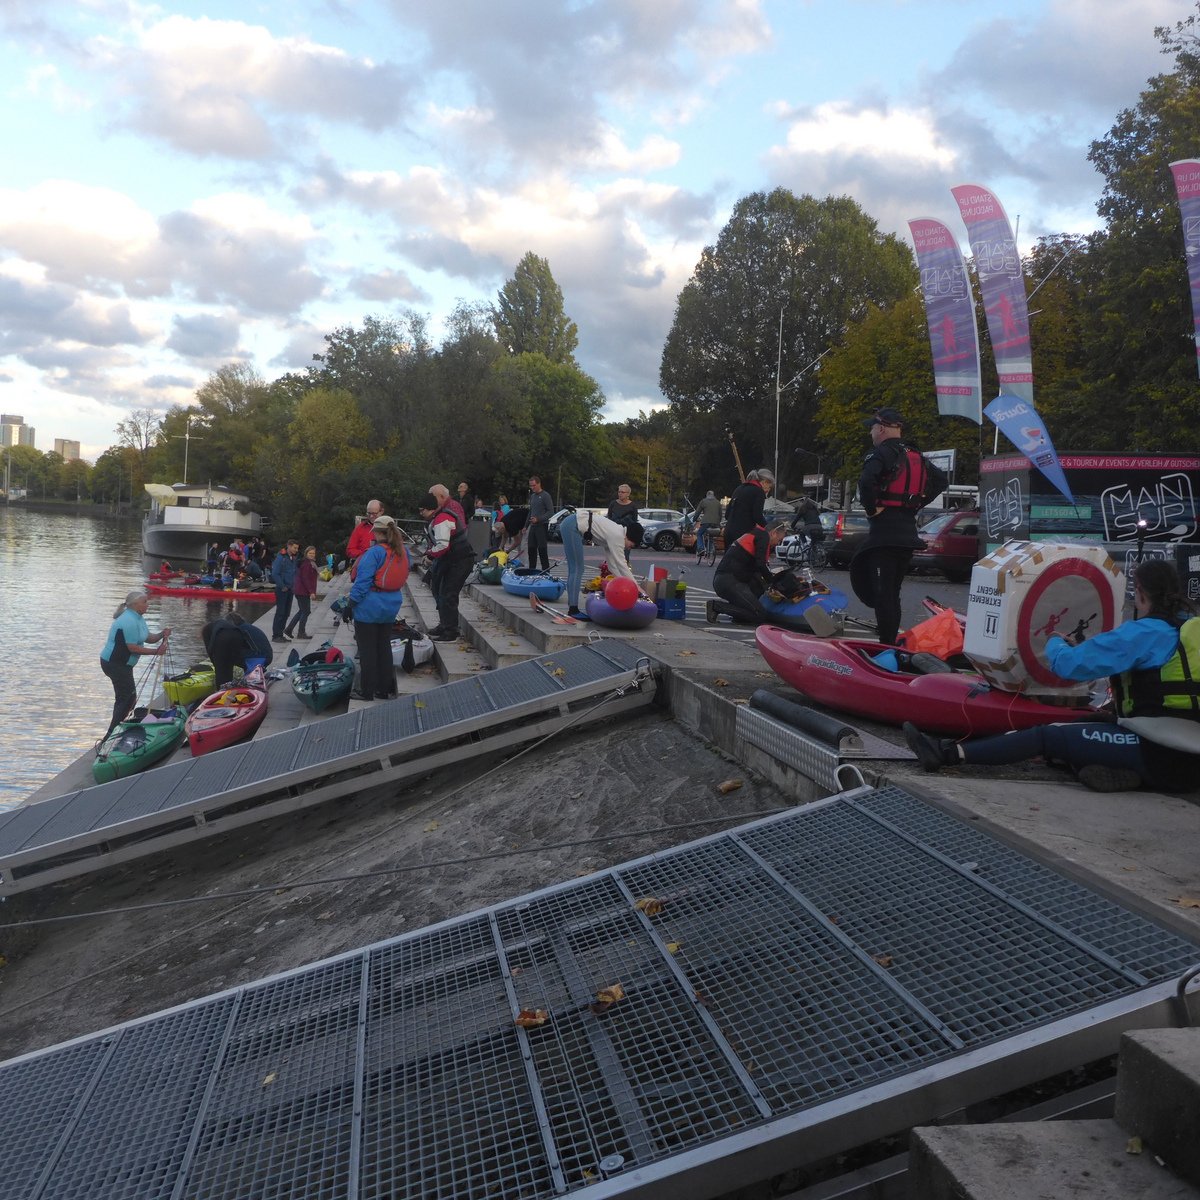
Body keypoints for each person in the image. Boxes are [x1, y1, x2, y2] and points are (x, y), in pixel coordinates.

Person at [904, 560, 1200, 794]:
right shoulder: (1191, 630)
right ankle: (1124, 775)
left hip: (1160, 752)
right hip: (1189, 749)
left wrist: (1055, 641)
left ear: (1142, 592)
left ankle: (947, 754)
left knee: (1049, 735)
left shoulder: (1144, 633)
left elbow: (1068, 665)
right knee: (1087, 723)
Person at [850, 408, 946, 645]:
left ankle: (886, 644)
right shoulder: (915, 454)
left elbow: (866, 481)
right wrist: (915, 503)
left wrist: (871, 508)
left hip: (885, 536)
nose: (871, 432)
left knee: (883, 594)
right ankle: (890, 640)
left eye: (872, 427)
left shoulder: (881, 453)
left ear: (881, 428)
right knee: (892, 593)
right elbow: (941, 480)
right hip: (907, 535)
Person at [347, 515, 408, 699]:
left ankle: (367, 691)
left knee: (367, 650)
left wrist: (351, 604)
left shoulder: (374, 553)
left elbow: (363, 582)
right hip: (391, 606)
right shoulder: (402, 551)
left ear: (377, 533)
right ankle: (384, 688)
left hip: (369, 607)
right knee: (383, 647)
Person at [99, 589, 171, 736]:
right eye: (144, 602)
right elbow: (132, 647)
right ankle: (111, 734)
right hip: (114, 663)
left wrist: (161, 634)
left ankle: (116, 728)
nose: (148, 605)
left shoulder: (138, 617)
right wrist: (156, 652)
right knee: (127, 698)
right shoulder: (128, 621)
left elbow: (147, 637)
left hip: (123, 664)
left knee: (127, 697)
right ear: (135, 605)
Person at [561, 512, 646, 618]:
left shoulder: (615, 534)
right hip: (572, 526)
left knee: (575, 569)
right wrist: (637, 588)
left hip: (571, 523)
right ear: (628, 537)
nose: (629, 548)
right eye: (631, 545)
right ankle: (573, 610)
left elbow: (612, 566)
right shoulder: (618, 536)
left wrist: (625, 584)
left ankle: (572, 607)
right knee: (577, 569)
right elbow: (622, 565)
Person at [419, 491, 476, 641]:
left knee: (448, 594)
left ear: (429, 508)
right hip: (452, 560)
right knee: (440, 591)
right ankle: (444, 625)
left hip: (461, 560)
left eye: (421, 510)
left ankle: (451, 631)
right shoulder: (438, 517)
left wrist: (430, 555)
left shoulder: (442, 518)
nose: (420, 513)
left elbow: (443, 545)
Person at [710, 520, 788, 624]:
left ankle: (739, 615)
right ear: (773, 533)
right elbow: (761, 564)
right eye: (779, 540)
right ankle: (716, 607)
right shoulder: (763, 536)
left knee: (758, 592)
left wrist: (768, 584)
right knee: (760, 615)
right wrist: (773, 582)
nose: (778, 543)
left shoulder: (755, 533)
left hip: (725, 580)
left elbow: (756, 568)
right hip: (730, 581)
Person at [202, 612, 274, 687]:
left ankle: (226, 682)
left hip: (259, 656)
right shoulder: (249, 627)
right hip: (267, 656)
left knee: (227, 656)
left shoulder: (239, 629)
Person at [722, 468, 775, 546]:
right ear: (764, 482)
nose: (768, 490)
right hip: (742, 535)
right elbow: (757, 516)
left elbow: (727, 515)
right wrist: (769, 529)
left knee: (729, 557)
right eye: (769, 487)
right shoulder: (758, 492)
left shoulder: (739, 488)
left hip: (728, 533)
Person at [285, 545, 320, 641]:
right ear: (306, 553)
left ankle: (289, 629)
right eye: (310, 553)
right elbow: (305, 579)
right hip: (302, 591)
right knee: (306, 611)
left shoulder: (310, 563)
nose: (312, 555)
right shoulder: (307, 564)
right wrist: (311, 592)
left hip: (300, 590)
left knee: (302, 611)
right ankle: (301, 632)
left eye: (313, 553)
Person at [270, 538, 301, 643]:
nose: (296, 550)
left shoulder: (293, 558)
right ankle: (276, 635)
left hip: (290, 589)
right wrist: (282, 586)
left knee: (286, 612)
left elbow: (294, 572)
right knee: (280, 612)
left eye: (297, 548)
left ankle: (280, 634)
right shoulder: (281, 557)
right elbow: (275, 573)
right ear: (289, 546)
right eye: (295, 548)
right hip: (282, 589)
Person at [526, 475, 554, 572]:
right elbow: (530, 511)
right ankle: (531, 570)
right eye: (530, 486)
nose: (532, 488)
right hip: (533, 526)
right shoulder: (533, 496)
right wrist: (525, 526)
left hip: (542, 526)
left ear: (539, 484)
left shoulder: (545, 496)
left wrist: (539, 519)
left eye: (534, 485)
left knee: (542, 550)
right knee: (531, 549)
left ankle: (546, 572)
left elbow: (550, 512)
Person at [694, 490, 722, 560]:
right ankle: (710, 551)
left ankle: (701, 549)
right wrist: (718, 522)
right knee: (711, 536)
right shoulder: (718, 502)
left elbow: (697, 512)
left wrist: (694, 519)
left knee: (699, 534)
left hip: (706, 522)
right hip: (716, 523)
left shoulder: (703, 501)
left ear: (707, 495)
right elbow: (720, 514)